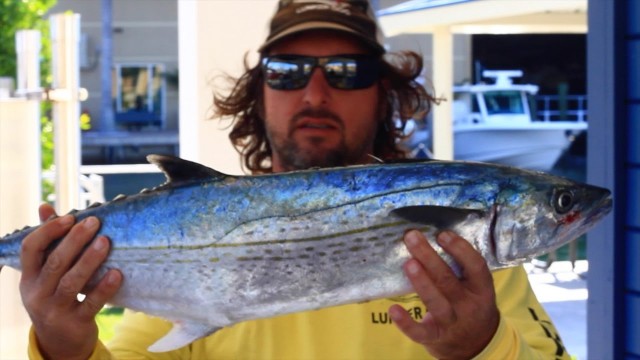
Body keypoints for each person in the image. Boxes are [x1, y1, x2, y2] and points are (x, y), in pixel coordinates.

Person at [20, 1, 570, 359]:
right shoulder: (190, 225)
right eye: (286, 71)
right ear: (259, 95)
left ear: (385, 95)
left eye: (346, 72)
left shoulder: (473, 265)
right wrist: (62, 344)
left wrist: (485, 345)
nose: (314, 94)